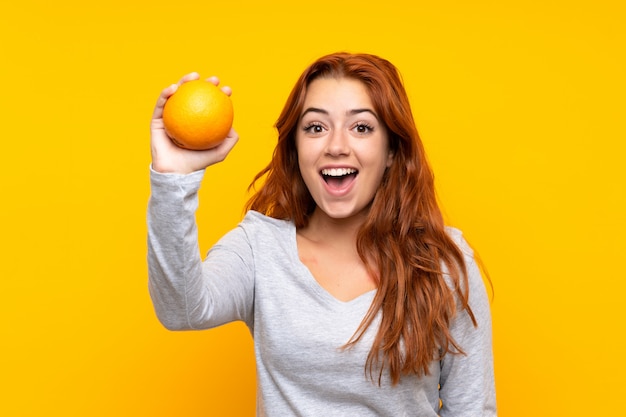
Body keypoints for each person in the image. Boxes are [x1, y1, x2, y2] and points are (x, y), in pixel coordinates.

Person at [147, 52, 496, 416]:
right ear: (295, 148)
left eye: (361, 127)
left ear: (392, 150)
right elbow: (181, 309)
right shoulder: (260, 248)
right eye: (316, 127)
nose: (336, 146)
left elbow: (472, 409)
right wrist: (173, 178)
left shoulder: (442, 262)